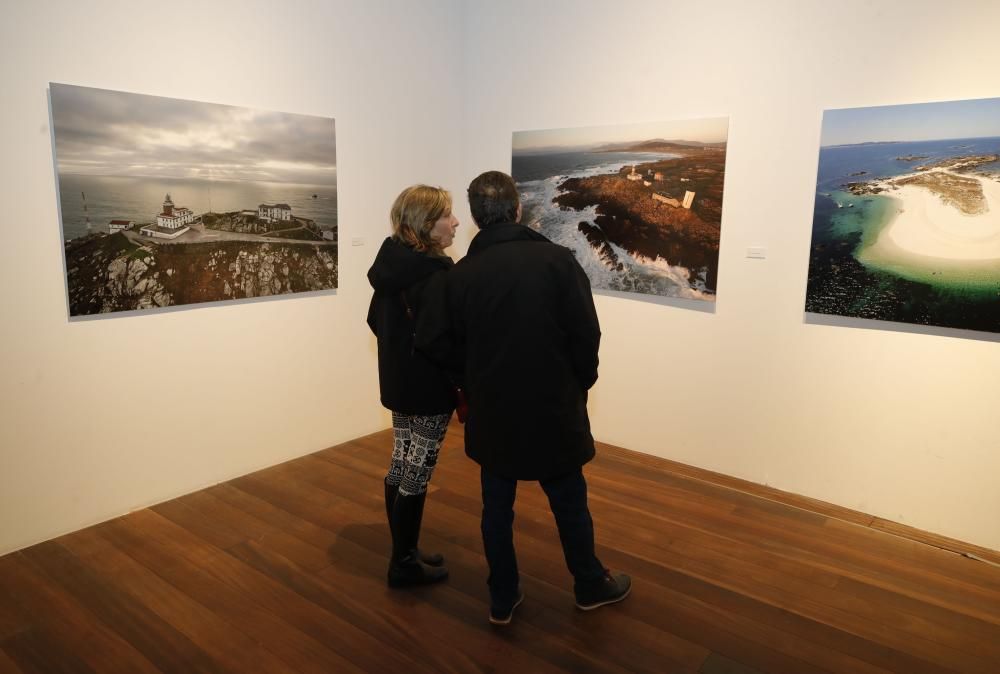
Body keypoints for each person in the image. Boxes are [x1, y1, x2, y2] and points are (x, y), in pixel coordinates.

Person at [419, 171, 630, 625]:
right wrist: (580, 384)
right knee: (570, 503)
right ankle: (589, 583)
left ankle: (502, 595)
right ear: (518, 209)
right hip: (553, 406)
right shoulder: (558, 262)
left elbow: (433, 341)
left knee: (496, 507)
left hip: (493, 410)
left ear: (476, 218)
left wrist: (468, 378)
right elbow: (586, 334)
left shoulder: (459, 277)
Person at [367, 184, 459, 588]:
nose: (455, 222)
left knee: (401, 461)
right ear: (426, 224)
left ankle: (404, 548)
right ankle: (403, 563)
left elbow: (374, 321)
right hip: (427, 387)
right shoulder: (435, 274)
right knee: (417, 470)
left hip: (399, 381)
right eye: (447, 216)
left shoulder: (391, 264)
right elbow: (443, 338)